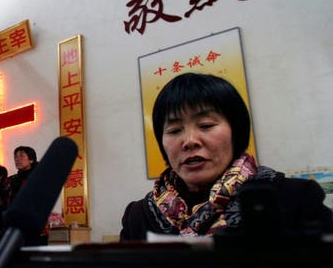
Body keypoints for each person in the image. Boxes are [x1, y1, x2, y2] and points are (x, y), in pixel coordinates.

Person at [120, 73, 333, 242]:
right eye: (175, 130)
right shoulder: (139, 216)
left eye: (206, 125)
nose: (189, 141)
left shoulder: (295, 198)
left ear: (236, 131)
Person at [7, 145, 48, 246]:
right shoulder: (14, 179)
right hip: (16, 223)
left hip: (33, 222)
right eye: (16, 157)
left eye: (21, 156)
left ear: (31, 159)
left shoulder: (39, 176)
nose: (17, 159)